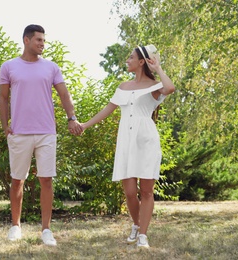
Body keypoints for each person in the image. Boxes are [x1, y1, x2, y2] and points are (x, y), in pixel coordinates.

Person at [81, 44, 175, 248]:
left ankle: (143, 235)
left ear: (142, 61)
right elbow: (108, 109)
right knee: (130, 192)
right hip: (126, 140)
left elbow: (170, 88)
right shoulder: (123, 87)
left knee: (147, 191)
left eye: (131, 57)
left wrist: (158, 68)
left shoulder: (155, 86)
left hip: (147, 140)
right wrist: (85, 125)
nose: (127, 60)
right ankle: (136, 223)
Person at [0, 24, 83, 246]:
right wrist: (4, 124)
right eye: (38, 40)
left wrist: (71, 118)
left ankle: (46, 230)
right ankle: (15, 226)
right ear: (26, 40)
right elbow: (3, 98)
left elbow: (64, 94)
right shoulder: (9, 67)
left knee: (46, 179)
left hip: (46, 132)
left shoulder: (51, 68)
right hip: (19, 133)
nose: (42, 44)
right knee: (17, 180)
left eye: (44, 40)